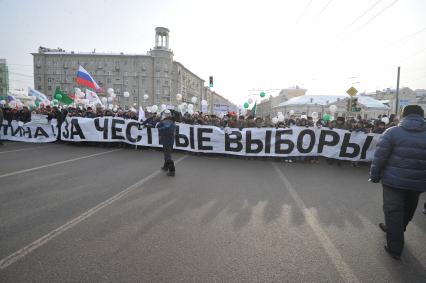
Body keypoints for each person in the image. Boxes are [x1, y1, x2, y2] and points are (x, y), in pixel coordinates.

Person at [369, 105, 426, 260]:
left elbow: (380, 157)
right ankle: (395, 229)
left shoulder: (392, 132)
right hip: (418, 182)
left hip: (393, 181)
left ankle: (395, 247)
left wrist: (374, 175)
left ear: (402, 115)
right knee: (409, 209)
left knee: (393, 212)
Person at [157, 109, 176, 177]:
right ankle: (165, 166)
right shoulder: (172, 121)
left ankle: (172, 170)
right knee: (167, 153)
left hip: (166, 139)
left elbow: (159, 127)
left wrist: (160, 127)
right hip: (170, 140)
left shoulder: (165, 122)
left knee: (167, 155)